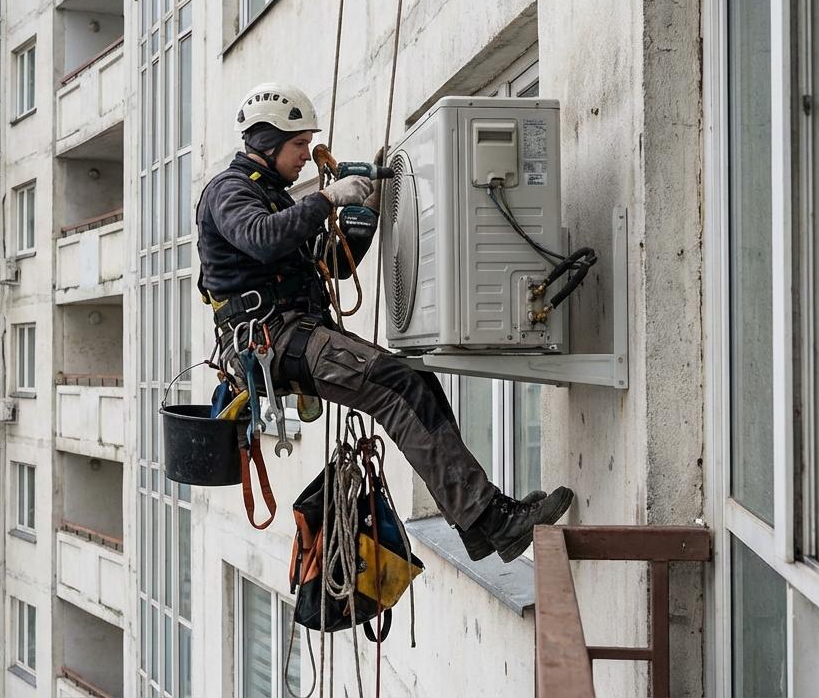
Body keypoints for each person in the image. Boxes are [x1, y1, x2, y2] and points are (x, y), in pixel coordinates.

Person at [195, 82, 574, 563]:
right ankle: (491, 520)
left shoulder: (274, 198)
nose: (306, 155)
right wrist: (327, 198)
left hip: (295, 332)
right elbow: (262, 239)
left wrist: (364, 215)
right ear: (266, 142)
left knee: (414, 379)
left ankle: (480, 525)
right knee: (398, 386)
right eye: (297, 145)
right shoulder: (230, 192)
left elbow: (330, 266)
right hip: (271, 339)